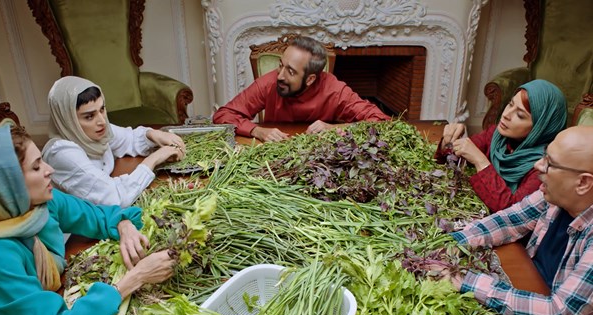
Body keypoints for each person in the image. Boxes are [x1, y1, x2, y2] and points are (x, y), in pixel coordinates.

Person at [0, 124, 176, 315]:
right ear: (9, 186)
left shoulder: (41, 205)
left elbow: (97, 215)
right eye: (36, 167)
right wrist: (135, 278)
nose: (49, 170)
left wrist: (123, 224)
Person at [436, 125, 593, 315]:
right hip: (527, 295)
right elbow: (507, 221)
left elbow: (556, 314)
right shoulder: (553, 194)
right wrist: (451, 242)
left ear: (582, 183)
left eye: (549, 163)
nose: (537, 166)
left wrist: (462, 280)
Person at [212, 35, 390, 142]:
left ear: (310, 79)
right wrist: (257, 130)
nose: (280, 75)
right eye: (280, 65)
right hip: (276, 151)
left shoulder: (335, 90)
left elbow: (383, 122)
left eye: (290, 71)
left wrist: (333, 129)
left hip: (320, 157)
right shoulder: (270, 82)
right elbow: (223, 115)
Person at [42, 76, 186, 208]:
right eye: (89, 116)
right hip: (78, 232)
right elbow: (115, 198)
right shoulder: (62, 154)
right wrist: (154, 159)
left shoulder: (95, 131)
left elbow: (128, 139)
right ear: (69, 120)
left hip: (103, 216)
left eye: (102, 109)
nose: (102, 121)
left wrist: (153, 134)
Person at [434, 79, 567, 213]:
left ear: (540, 128)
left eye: (520, 115)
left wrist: (480, 161)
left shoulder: (544, 167)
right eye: (510, 104)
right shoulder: (497, 136)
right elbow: (449, 158)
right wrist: (449, 141)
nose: (506, 115)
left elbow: (513, 212)